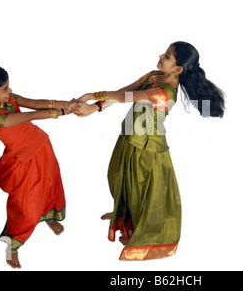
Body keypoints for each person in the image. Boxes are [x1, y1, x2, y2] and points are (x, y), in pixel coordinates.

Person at [72, 41, 225, 260]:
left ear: (178, 69)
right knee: (118, 178)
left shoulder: (165, 93)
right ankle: (123, 215)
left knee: (140, 190)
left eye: (168, 56)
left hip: (146, 147)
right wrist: (94, 106)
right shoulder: (154, 76)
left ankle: (140, 232)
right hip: (128, 137)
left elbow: (126, 98)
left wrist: (90, 96)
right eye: (165, 52)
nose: (161, 56)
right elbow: (123, 92)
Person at [0, 63, 73, 269]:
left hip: (43, 148)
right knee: (24, 205)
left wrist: (69, 104)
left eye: (8, 87)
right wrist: (63, 112)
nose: (10, 91)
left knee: (50, 186)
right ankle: (12, 246)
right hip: (23, 161)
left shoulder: (7, 98)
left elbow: (35, 104)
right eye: (5, 89)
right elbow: (31, 115)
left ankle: (47, 216)